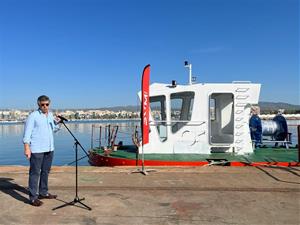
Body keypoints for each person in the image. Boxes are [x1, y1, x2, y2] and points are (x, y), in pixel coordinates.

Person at [23, 95, 61, 206]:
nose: (45, 106)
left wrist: (58, 124)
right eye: (42, 104)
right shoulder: (33, 116)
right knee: (35, 173)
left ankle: (43, 192)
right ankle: (33, 198)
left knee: (45, 172)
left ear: (49, 104)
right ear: (38, 104)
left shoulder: (50, 115)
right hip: (36, 149)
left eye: (47, 104)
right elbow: (27, 133)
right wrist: (26, 147)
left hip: (49, 148)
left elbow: (53, 129)